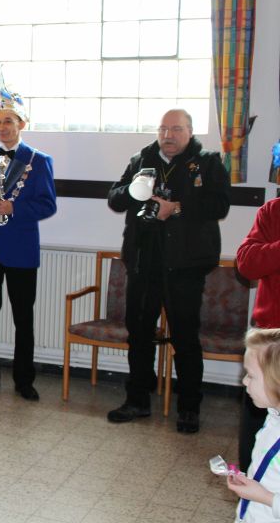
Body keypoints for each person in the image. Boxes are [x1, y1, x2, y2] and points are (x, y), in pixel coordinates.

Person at [106, 108, 230, 433]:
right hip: (143, 263)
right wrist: (133, 190)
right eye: (163, 129)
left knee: (185, 337)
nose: (168, 135)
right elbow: (115, 198)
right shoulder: (141, 159)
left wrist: (176, 209)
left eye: (175, 129)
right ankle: (137, 400)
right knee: (139, 335)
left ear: (189, 131)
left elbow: (220, 205)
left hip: (186, 266)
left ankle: (189, 407)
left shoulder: (208, 162)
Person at [0, 89, 57, 401]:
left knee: (23, 318)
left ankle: (24, 380)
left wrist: (13, 208)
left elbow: (48, 204)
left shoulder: (39, 161)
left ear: (22, 124)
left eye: (8, 121)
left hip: (20, 249)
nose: (2, 127)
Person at [237, 198, 280, 469]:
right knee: (257, 427)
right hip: (269, 340)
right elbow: (247, 264)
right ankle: (250, 478)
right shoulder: (273, 210)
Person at [226, 327, 280, 522]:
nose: (244, 381)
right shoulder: (273, 417)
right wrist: (248, 480)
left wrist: (264, 497)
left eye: (251, 375)